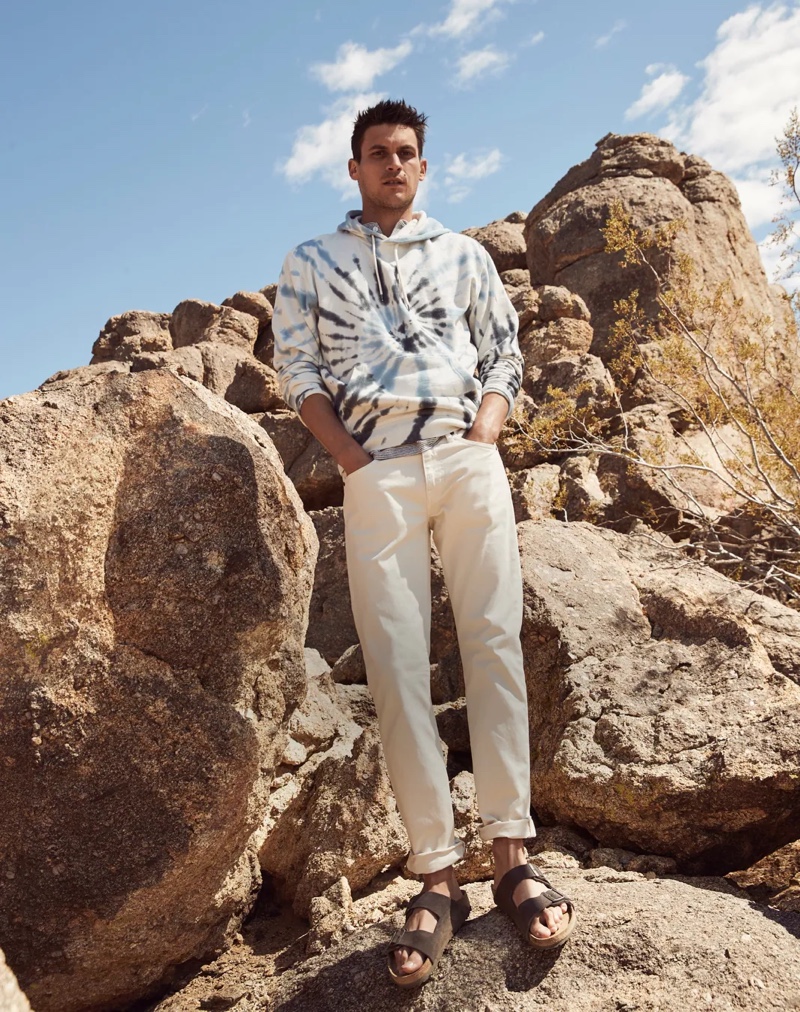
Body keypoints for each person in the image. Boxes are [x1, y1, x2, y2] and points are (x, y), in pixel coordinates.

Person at [273, 99, 575, 988]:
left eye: (408, 153)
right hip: (378, 474)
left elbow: (504, 355)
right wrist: (351, 462)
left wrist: (485, 434)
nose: (395, 165)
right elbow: (298, 370)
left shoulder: (467, 257)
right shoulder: (311, 263)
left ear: (424, 166)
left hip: (466, 456)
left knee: (494, 646)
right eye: (379, 154)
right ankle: (436, 873)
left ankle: (512, 855)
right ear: (355, 169)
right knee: (398, 666)